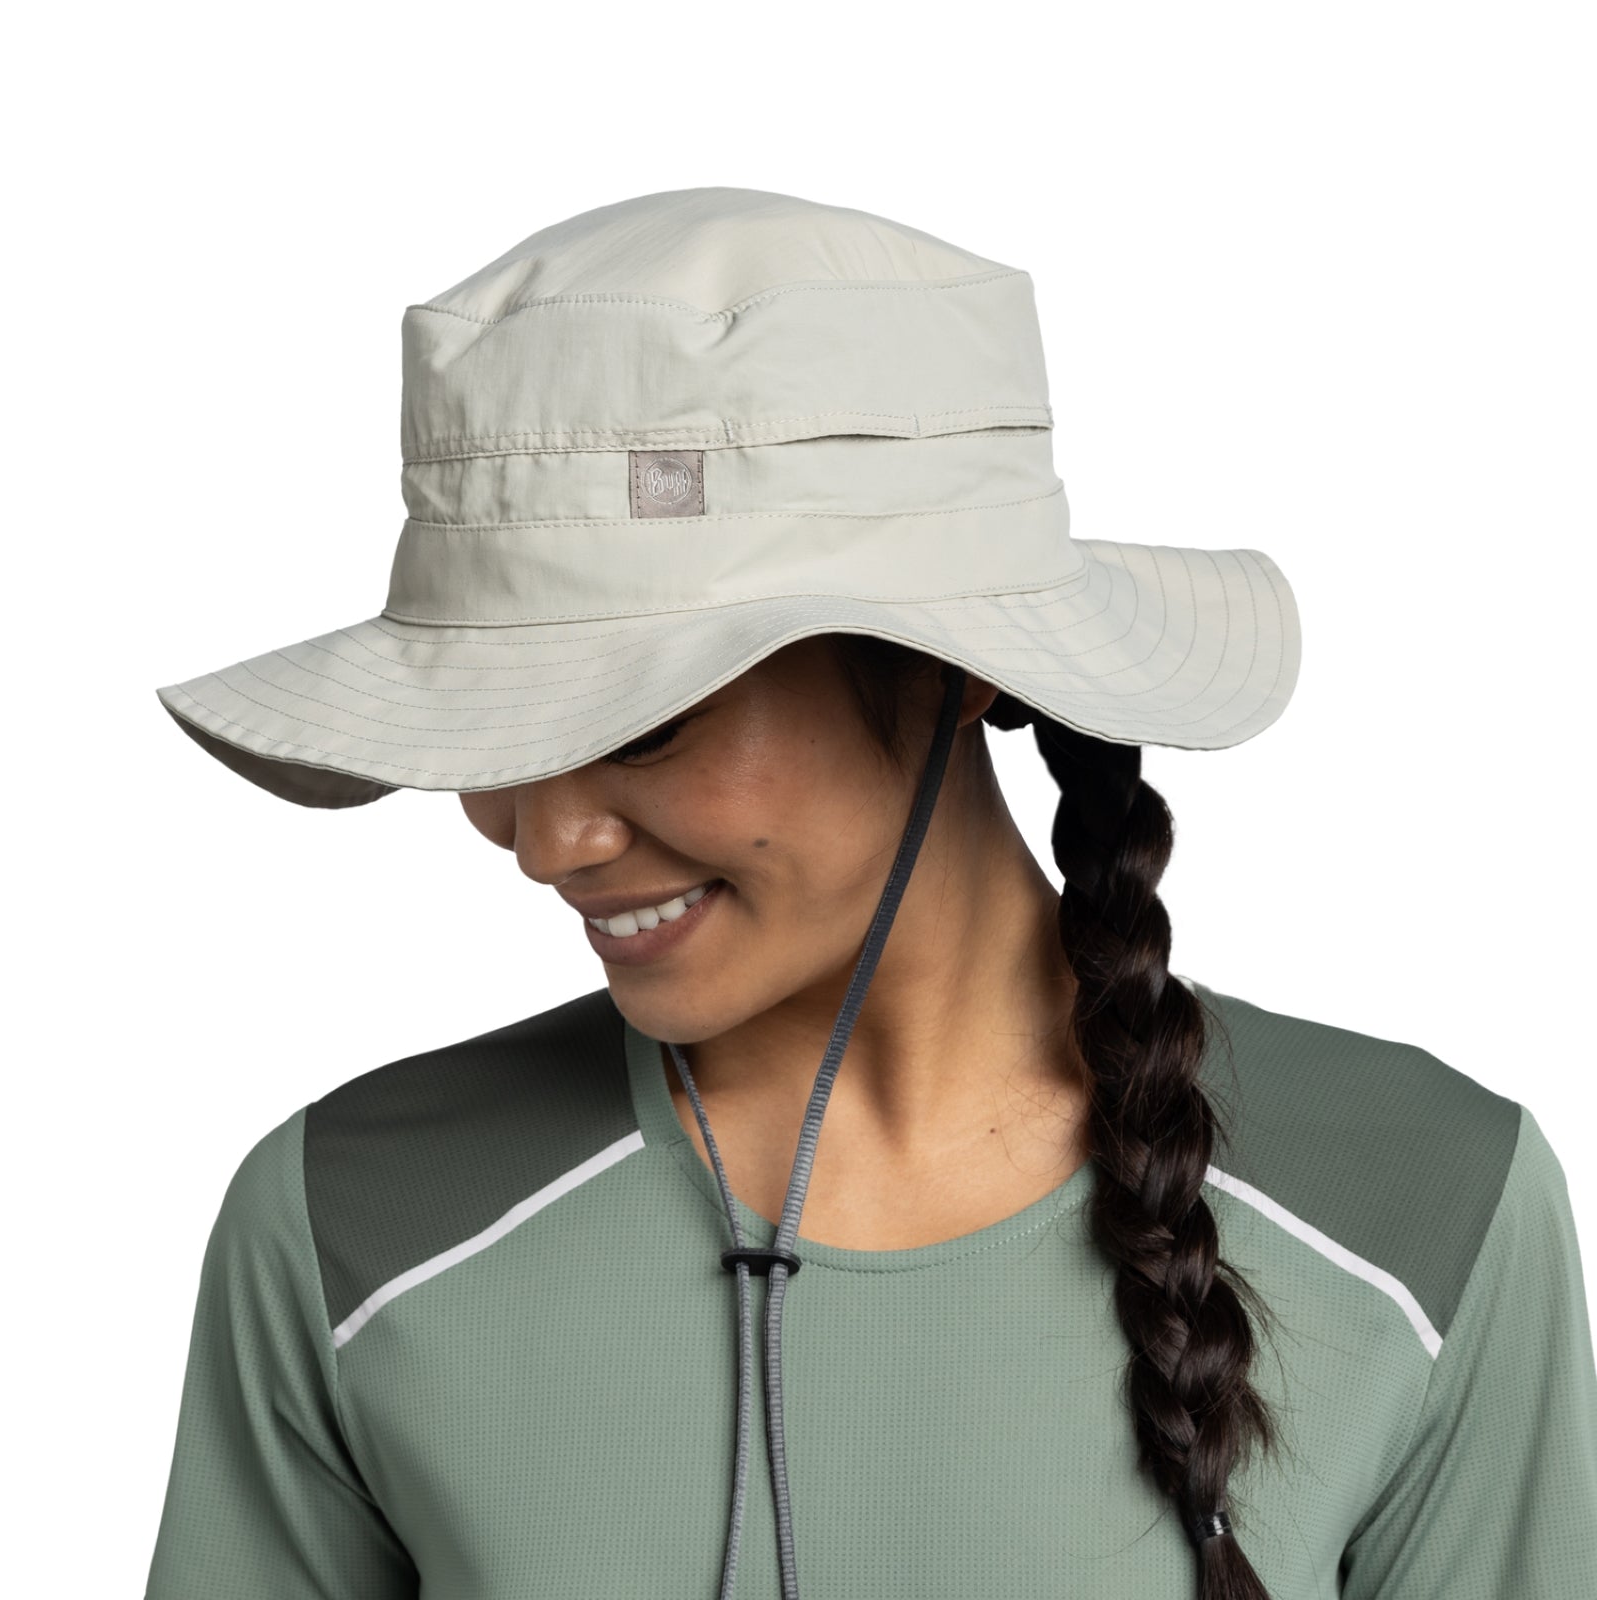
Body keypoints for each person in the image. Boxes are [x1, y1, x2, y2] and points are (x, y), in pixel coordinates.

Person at [142, 187, 1597, 1600]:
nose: (546, 837)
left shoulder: (1423, 1215)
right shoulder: (353, 1230)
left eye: (646, 722)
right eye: (499, 730)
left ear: (951, 667)